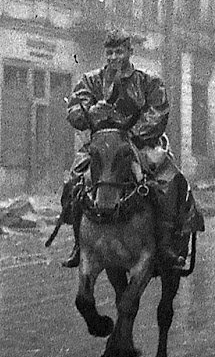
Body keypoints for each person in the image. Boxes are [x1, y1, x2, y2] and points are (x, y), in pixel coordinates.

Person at [59, 32, 203, 273]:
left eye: (119, 52)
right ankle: (78, 242)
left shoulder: (148, 81)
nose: (114, 57)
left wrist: (132, 134)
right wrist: (91, 113)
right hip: (102, 144)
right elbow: (75, 108)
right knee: (74, 181)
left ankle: (166, 243)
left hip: (142, 143)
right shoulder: (91, 80)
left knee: (170, 183)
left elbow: (158, 112)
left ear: (129, 52)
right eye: (110, 53)